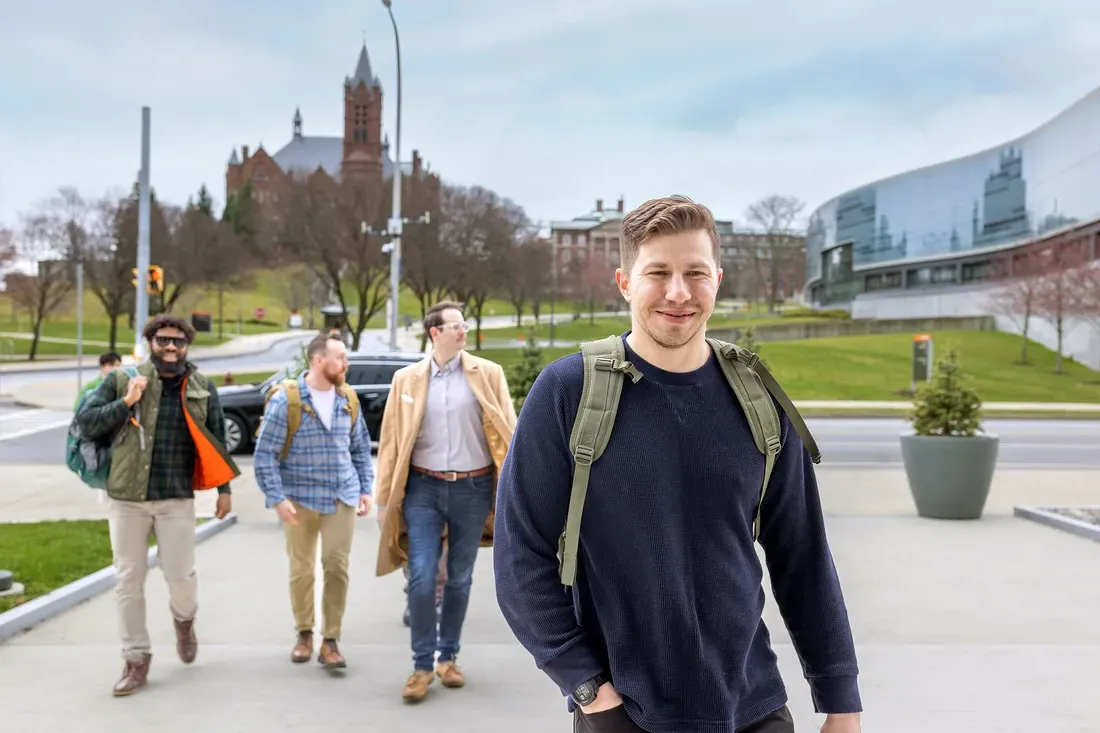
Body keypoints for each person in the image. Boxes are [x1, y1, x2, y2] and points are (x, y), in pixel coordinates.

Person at [492, 196, 862, 733]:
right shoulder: (567, 393)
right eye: (657, 273)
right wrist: (589, 689)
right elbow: (519, 557)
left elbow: (803, 557)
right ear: (624, 281)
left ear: (717, 278)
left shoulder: (758, 398)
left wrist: (841, 701)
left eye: (694, 273)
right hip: (625, 713)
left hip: (753, 707)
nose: (678, 293)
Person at [76, 314, 240, 697]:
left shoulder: (201, 387)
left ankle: (184, 621)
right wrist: (126, 402)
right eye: (163, 340)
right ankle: (136, 659)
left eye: (178, 342)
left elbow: (217, 440)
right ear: (150, 341)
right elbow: (86, 423)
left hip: (175, 496)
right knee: (128, 580)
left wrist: (224, 490)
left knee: (181, 577)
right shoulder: (121, 380)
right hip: (127, 499)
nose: (171, 347)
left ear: (186, 347)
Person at [374, 300, 518, 703]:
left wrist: (514, 491)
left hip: (472, 490)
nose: (463, 331)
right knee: (420, 575)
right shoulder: (407, 379)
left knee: (459, 578)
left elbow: (511, 432)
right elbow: (390, 442)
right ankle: (421, 665)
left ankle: (447, 657)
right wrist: (385, 498)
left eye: (465, 324)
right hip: (423, 488)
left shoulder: (488, 374)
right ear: (434, 332)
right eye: (456, 325)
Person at [253, 332, 374, 669]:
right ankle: (304, 633)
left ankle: (330, 640)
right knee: (301, 569)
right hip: (300, 499)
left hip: (341, 495)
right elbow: (265, 456)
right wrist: (277, 499)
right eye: (340, 358)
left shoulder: (347, 398)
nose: (346, 364)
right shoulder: (287, 401)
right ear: (319, 361)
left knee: (337, 567)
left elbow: (361, 447)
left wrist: (365, 488)